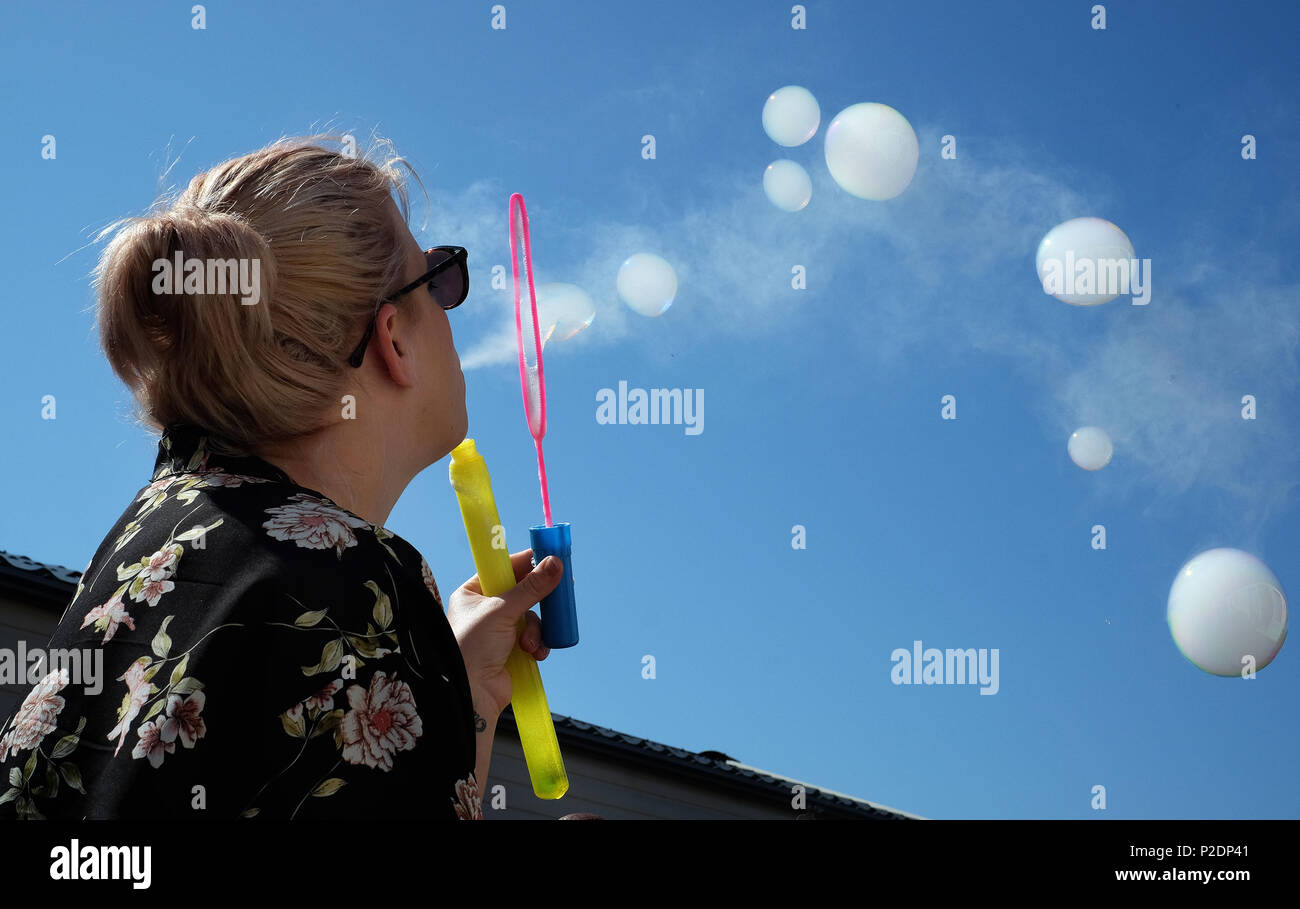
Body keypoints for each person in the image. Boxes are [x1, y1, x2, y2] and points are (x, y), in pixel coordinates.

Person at [0, 136, 562, 819]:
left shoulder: (140, 544)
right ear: (393, 338)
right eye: (438, 277)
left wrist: (463, 691)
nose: (453, 304)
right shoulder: (356, 583)